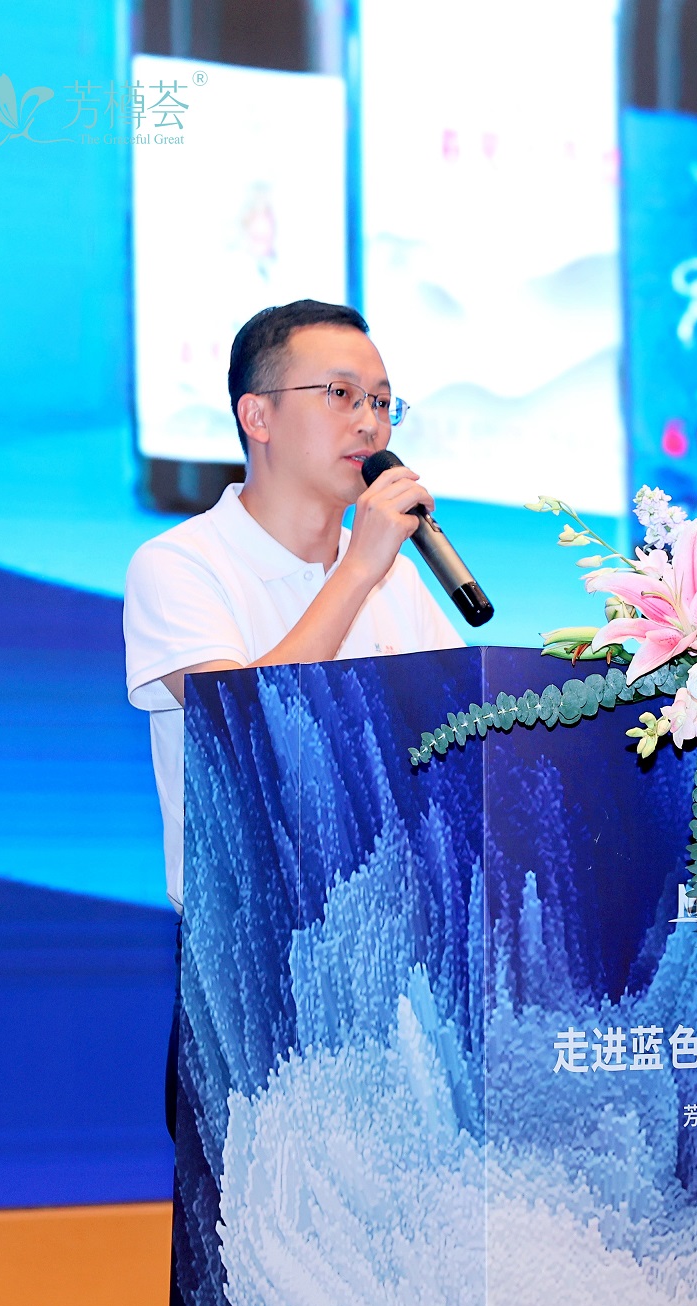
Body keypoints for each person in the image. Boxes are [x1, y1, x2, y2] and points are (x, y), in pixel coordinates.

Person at [122, 299, 465, 1137]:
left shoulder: (395, 579)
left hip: (403, 959)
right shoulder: (181, 566)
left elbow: (467, 737)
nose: (369, 422)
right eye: (341, 394)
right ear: (258, 415)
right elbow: (246, 733)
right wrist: (359, 570)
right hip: (254, 964)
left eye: (382, 401)